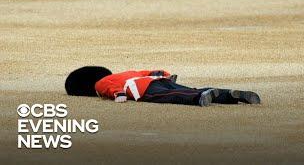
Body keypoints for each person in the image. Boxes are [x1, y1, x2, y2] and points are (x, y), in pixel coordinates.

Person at [65, 66, 261, 107]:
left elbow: (108, 88)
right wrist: (162, 74)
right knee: (191, 87)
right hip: (154, 79)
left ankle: (199, 99)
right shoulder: (125, 72)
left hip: (143, 90)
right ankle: (230, 95)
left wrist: (118, 94)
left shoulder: (100, 84)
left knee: (175, 95)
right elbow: (143, 72)